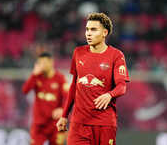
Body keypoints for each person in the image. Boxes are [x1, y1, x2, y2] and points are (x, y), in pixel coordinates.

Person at [56, 12, 130, 145]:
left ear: (104, 32)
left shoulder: (116, 55)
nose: (88, 33)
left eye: (93, 29)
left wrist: (109, 95)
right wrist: (64, 116)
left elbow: (122, 86)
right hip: (79, 124)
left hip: (104, 123)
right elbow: (74, 86)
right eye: (87, 29)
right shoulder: (78, 53)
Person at [22, 52, 69, 145]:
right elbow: (25, 90)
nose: (42, 65)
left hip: (55, 124)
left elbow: (68, 97)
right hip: (39, 125)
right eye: (40, 63)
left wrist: (62, 109)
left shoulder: (60, 78)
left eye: (44, 62)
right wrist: (33, 75)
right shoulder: (37, 77)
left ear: (51, 62)